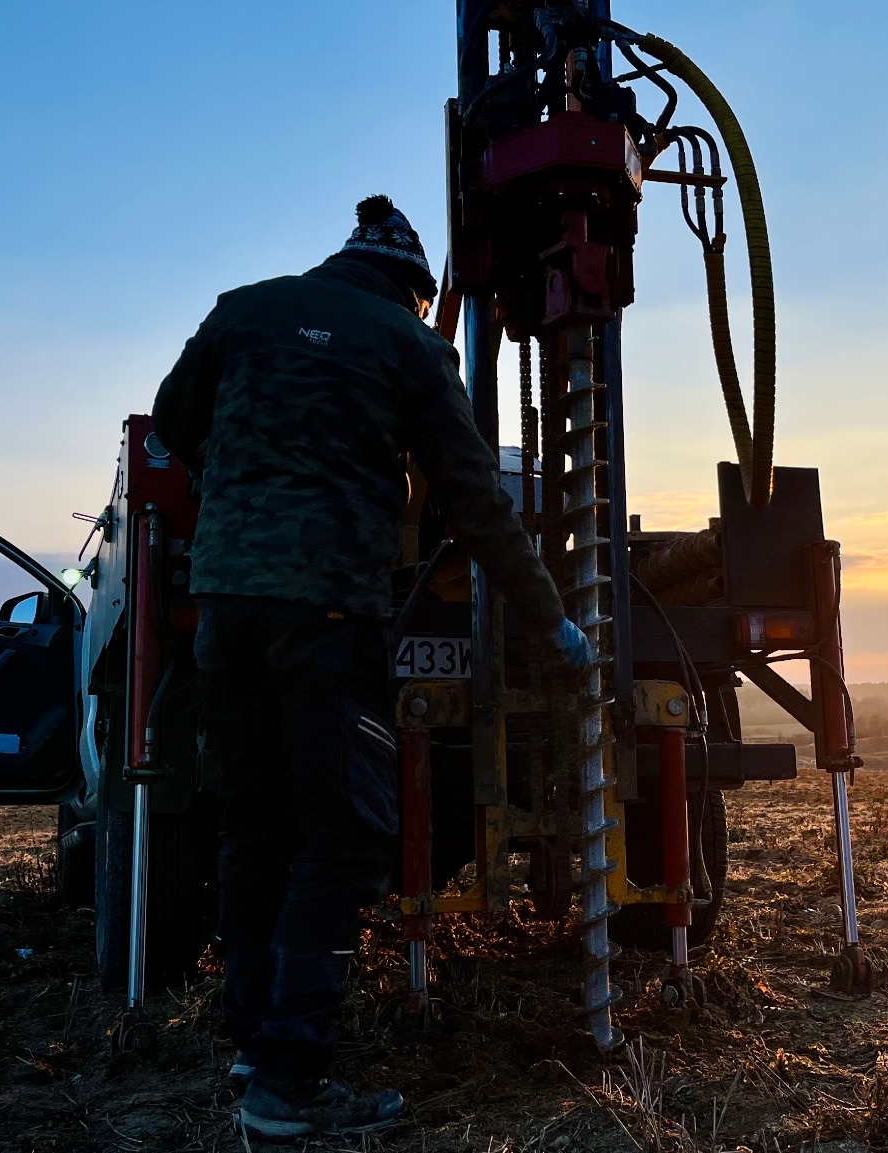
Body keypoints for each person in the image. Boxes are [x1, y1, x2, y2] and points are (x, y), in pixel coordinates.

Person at [150, 195, 594, 1139]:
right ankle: (288, 1086)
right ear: (413, 288)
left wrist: (240, 491)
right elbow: (475, 500)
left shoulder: (242, 310)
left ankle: (251, 1039)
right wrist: (551, 619)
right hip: (327, 612)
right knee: (340, 834)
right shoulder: (408, 345)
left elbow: (172, 419)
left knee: (253, 823)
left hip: (226, 610)